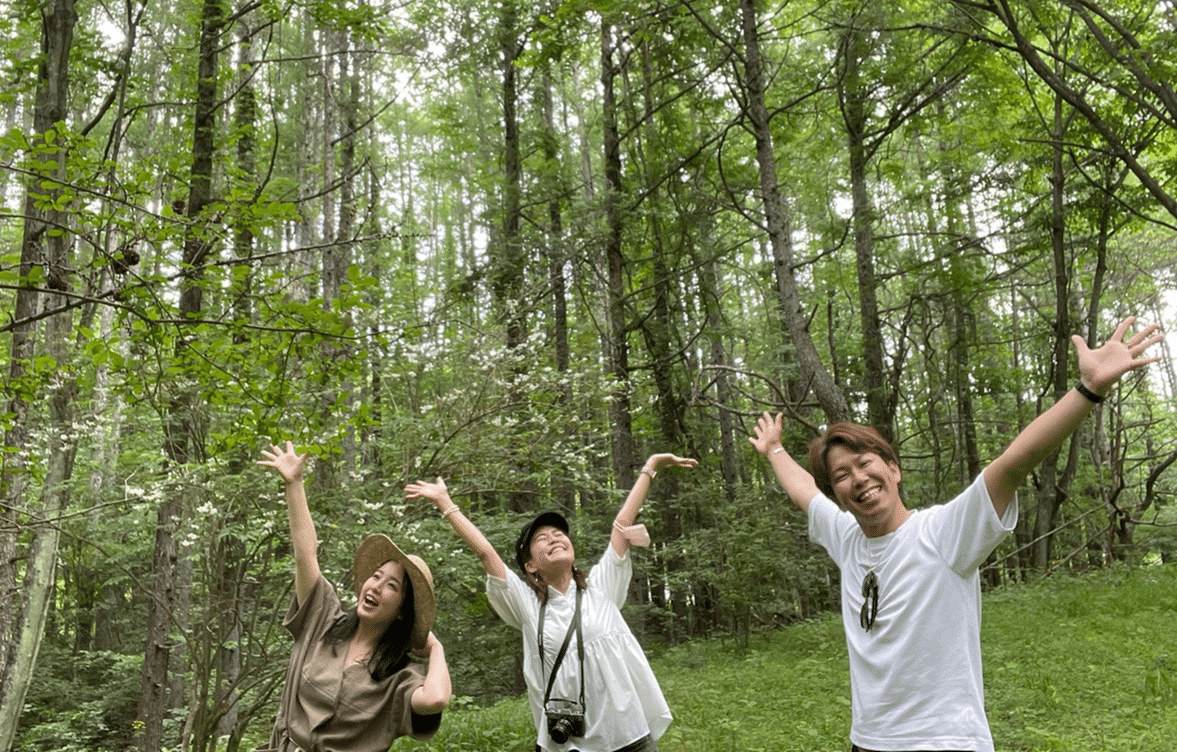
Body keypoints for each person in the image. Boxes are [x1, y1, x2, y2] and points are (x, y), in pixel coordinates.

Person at [749, 315, 1163, 752]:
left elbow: (1014, 461)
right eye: (842, 475)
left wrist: (1087, 390)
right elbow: (802, 491)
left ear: (894, 469)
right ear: (838, 494)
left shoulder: (943, 533)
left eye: (866, 463)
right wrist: (774, 448)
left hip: (943, 741)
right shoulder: (846, 539)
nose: (858, 479)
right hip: (868, 741)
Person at [404, 452, 697, 752]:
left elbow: (623, 523)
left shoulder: (601, 588)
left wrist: (650, 465)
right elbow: (486, 554)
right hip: (569, 745)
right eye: (542, 538)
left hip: (630, 736)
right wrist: (445, 502)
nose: (554, 538)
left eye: (559, 533)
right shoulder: (529, 608)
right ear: (531, 566)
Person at [256, 441, 451, 752]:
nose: (375, 586)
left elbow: (436, 699)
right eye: (376, 576)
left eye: (392, 586)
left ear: (403, 610)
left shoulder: (399, 677)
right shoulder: (323, 619)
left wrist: (436, 646)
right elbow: (306, 555)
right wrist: (294, 484)